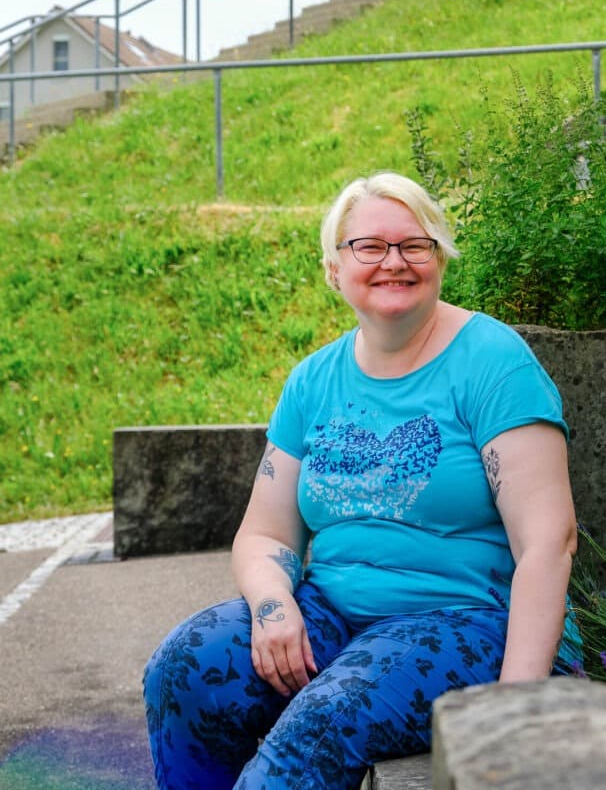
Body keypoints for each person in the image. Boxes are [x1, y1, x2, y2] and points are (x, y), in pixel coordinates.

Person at [143, 171, 582, 790]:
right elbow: (265, 534)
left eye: (415, 244)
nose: (394, 262)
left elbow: (548, 543)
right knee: (185, 670)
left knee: (324, 721)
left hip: (473, 621)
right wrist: (273, 608)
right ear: (334, 268)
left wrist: (512, 708)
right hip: (336, 615)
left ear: (439, 260)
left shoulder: (493, 361)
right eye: (369, 246)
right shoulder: (313, 382)